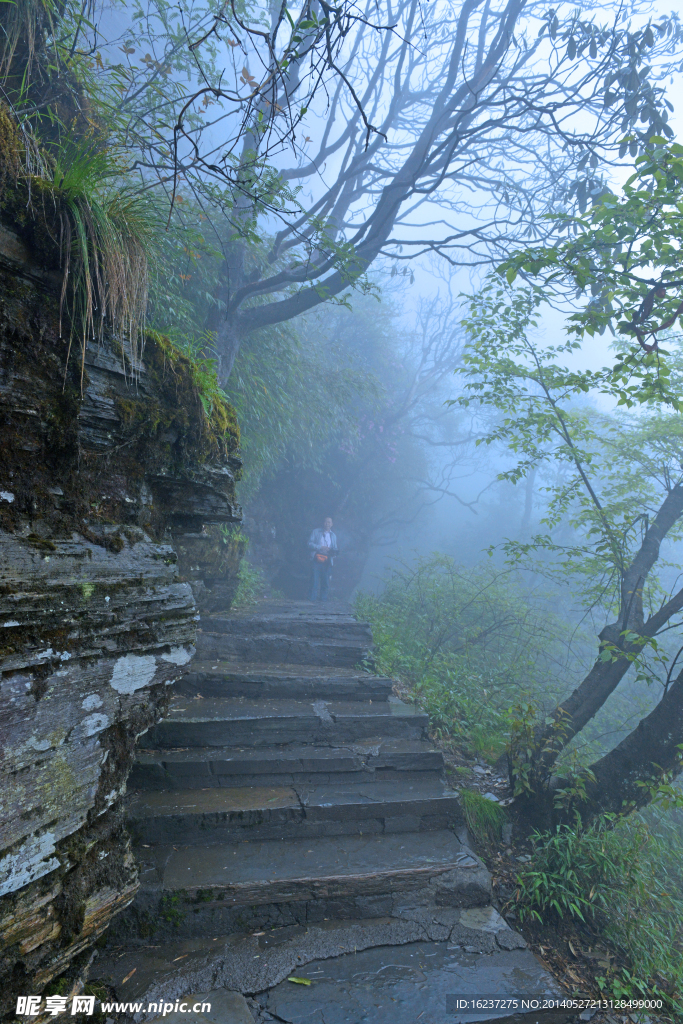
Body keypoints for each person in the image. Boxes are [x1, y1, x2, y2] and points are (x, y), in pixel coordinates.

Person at [308, 516, 338, 602]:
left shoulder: (333, 536)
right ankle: (311, 600)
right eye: (326, 522)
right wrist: (320, 547)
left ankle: (323, 600)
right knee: (314, 580)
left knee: (325, 581)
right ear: (323, 523)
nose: (327, 523)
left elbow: (335, 548)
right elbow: (309, 544)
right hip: (316, 559)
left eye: (329, 522)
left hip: (327, 561)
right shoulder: (316, 532)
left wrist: (332, 552)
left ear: (332, 524)